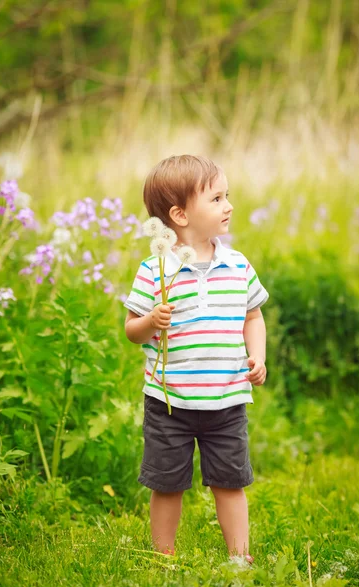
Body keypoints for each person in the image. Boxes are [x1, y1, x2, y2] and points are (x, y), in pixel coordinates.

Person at [124, 155, 269, 564]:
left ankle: (239, 557)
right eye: (218, 198)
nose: (229, 206)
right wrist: (151, 320)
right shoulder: (155, 270)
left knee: (230, 482)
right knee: (167, 483)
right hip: (169, 401)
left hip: (227, 399)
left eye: (228, 196)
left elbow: (253, 315)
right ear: (180, 214)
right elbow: (131, 330)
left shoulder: (237, 265)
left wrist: (256, 355)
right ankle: (163, 554)